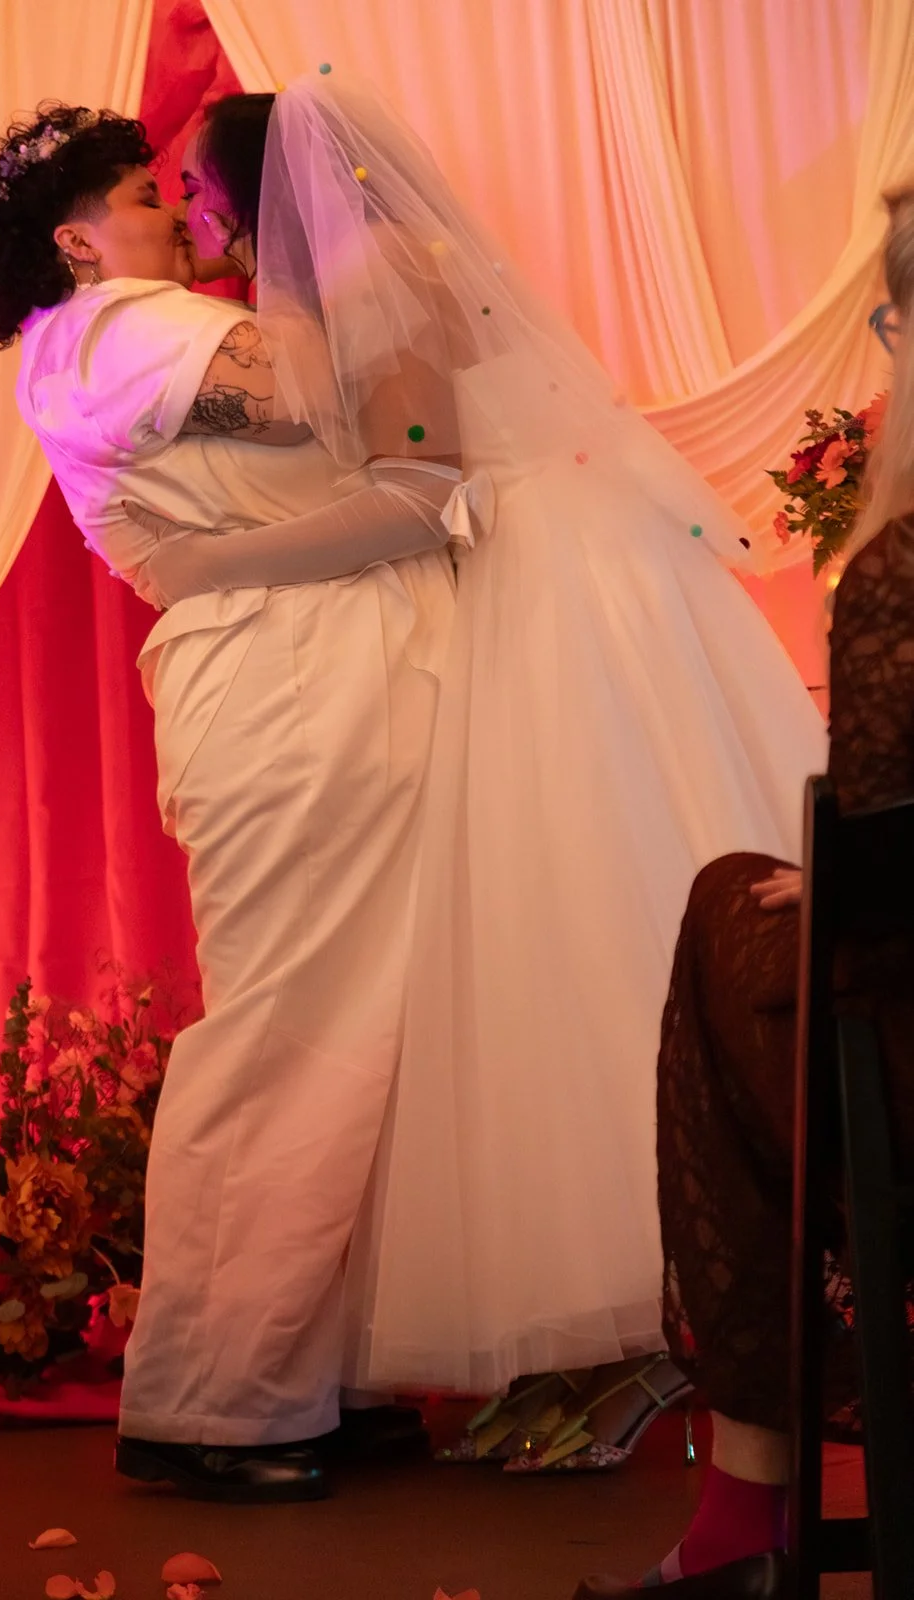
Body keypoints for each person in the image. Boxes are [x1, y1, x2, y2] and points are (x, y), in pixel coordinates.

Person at [163, 80, 827, 1475]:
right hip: (538, 567)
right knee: (535, 945)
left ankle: (642, 1344)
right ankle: (596, 1346)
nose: (198, 215)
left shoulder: (374, 275)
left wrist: (215, 566)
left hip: (534, 586)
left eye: (204, 188)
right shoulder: (369, 277)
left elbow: (426, 479)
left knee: (568, 927)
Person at [0, 103, 474, 1503]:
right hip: (288, 698)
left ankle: (312, 1371)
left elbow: (401, 423)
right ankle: (212, 1400)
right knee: (287, 1028)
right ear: (78, 241)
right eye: (145, 195)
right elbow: (370, 400)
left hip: (316, 682)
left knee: (356, 1023)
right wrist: (385, 270)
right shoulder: (122, 328)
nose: (178, 217)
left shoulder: (149, 329)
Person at [574, 182, 914, 1595]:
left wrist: (838, 880)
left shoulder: (899, 573)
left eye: (889, 313)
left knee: (728, 915)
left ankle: (746, 1501)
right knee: (757, 924)